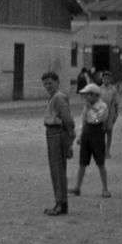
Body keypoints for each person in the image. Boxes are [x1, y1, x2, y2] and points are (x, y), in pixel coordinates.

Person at [41, 71, 75, 216]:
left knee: (58, 170)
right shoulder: (53, 98)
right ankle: (60, 202)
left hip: (57, 134)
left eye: (50, 83)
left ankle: (61, 204)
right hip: (52, 134)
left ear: (57, 82)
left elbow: (68, 120)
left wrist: (69, 138)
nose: (48, 86)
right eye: (45, 84)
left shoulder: (59, 97)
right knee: (55, 170)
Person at [71, 83, 111, 198]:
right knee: (82, 163)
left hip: (97, 134)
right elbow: (83, 122)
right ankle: (77, 187)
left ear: (95, 95)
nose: (86, 97)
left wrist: (91, 108)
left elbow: (98, 118)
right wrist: (80, 136)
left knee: (100, 163)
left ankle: (105, 188)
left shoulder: (102, 106)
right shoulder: (86, 107)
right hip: (87, 134)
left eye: (88, 95)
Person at [99, 71, 119, 159]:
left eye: (108, 79)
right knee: (101, 133)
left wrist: (116, 114)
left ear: (110, 79)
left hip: (110, 112)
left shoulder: (113, 89)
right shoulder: (99, 89)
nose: (106, 80)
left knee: (109, 132)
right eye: (104, 79)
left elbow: (116, 103)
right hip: (101, 113)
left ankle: (107, 151)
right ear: (102, 79)